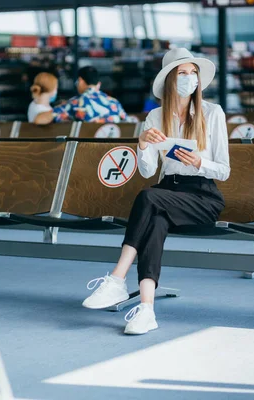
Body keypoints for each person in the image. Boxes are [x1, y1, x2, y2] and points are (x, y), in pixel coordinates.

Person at [81, 48, 231, 335]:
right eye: (182, 73)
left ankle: (116, 279)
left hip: (202, 196)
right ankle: (147, 309)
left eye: (193, 72)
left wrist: (200, 162)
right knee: (155, 221)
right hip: (167, 193)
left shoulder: (212, 113)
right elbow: (148, 172)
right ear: (170, 80)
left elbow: (223, 170)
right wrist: (143, 145)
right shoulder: (155, 116)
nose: (189, 78)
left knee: (148, 197)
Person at [34, 66, 127, 124]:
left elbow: (39, 120)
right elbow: (128, 122)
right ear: (98, 84)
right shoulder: (114, 102)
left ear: (81, 81)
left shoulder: (77, 102)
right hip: (113, 151)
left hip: (87, 150)